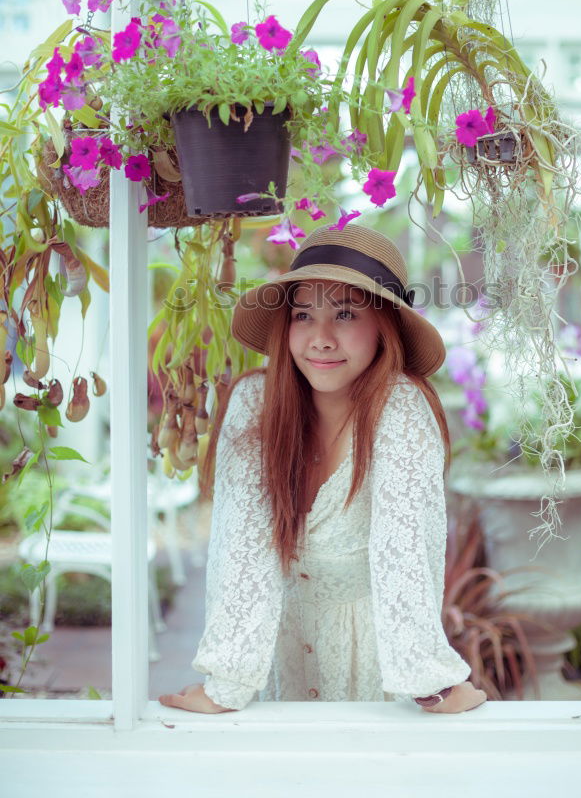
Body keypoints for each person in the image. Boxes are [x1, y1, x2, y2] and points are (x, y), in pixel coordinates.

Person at [159, 221, 487, 715]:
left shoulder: (401, 410)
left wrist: (431, 682)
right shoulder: (254, 403)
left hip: (375, 677)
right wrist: (223, 686)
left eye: (346, 313)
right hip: (277, 661)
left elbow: (404, 553)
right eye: (304, 315)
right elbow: (240, 547)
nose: (321, 339)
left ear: (385, 326)